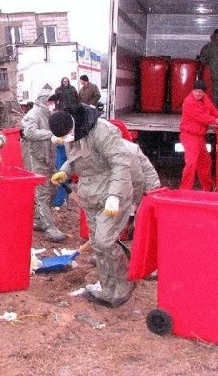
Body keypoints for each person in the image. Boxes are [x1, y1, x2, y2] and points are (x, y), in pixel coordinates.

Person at [49, 106, 135, 308]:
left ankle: (124, 283)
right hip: (90, 196)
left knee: (105, 241)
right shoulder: (73, 135)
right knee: (97, 244)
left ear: (73, 125)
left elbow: (121, 163)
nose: (67, 140)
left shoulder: (101, 131)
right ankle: (107, 288)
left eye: (67, 135)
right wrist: (65, 171)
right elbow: (75, 161)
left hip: (112, 193)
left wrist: (114, 195)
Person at [21, 88, 72, 242]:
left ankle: (38, 220)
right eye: (50, 100)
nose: (52, 104)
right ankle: (49, 228)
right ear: (43, 100)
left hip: (48, 158)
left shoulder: (48, 115)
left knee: (51, 190)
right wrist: (50, 136)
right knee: (43, 193)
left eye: (53, 101)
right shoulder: (33, 115)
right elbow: (29, 133)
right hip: (36, 159)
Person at [179, 79, 218, 191]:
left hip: (199, 137)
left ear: (204, 93)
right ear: (192, 90)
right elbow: (201, 117)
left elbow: (213, 110)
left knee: (205, 162)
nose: (198, 94)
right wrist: (217, 121)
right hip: (189, 136)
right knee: (191, 163)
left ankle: (208, 187)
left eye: (200, 92)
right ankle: (184, 190)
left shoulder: (205, 99)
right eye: (196, 91)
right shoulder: (189, 101)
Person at [52, 77, 79, 210]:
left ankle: (62, 199)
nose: (65, 83)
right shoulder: (58, 92)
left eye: (66, 81)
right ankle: (61, 199)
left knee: (63, 170)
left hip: (66, 148)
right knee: (61, 171)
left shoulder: (72, 90)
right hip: (61, 147)